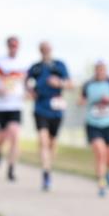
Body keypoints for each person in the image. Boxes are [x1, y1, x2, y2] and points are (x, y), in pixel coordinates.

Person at [27, 42, 73, 191]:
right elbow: (27, 83)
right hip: (40, 108)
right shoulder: (35, 67)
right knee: (43, 139)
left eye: (47, 48)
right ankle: (46, 172)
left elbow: (70, 84)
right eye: (43, 49)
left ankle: (48, 167)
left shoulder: (59, 65)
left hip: (56, 109)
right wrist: (30, 92)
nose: (45, 51)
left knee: (52, 142)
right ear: (40, 51)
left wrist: (58, 83)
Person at [79, 60, 109, 197]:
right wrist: (87, 101)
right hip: (93, 124)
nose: (100, 73)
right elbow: (80, 100)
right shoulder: (88, 84)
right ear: (95, 71)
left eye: (102, 70)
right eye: (98, 70)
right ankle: (101, 184)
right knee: (100, 153)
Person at [0, 36, 26, 182]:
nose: (13, 48)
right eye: (11, 45)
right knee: (2, 136)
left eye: (15, 46)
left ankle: (11, 168)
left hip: (15, 105)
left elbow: (27, 83)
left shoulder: (23, 64)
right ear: (7, 46)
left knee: (15, 135)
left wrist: (28, 92)